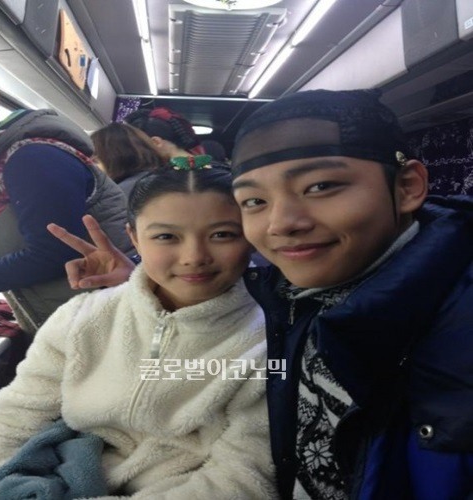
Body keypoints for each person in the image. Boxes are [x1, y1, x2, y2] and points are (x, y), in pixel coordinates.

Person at [49, 89, 473, 498]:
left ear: (407, 186)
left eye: (320, 186)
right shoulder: (294, 296)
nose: (281, 223)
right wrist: (148, 286)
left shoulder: (451, 334)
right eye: (253, 201)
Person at [0, 165, 277, 499]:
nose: (194, 257)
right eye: (166, 237)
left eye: (222, 235)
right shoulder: (81, 318)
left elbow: (244, 475)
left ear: (250, 236)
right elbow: (13, 423)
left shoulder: (274, 341)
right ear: (133, 237)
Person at [0, 74, 134, 334]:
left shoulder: (31, 158)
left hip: (109, 322)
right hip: (87, 319)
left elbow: (52, 252)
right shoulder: (4, 166)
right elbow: (22, 243)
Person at [91, 122, 168, 198]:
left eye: (95, 161)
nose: (91, 166)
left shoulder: (121, 195)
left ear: (116, 157)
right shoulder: (160, 180)